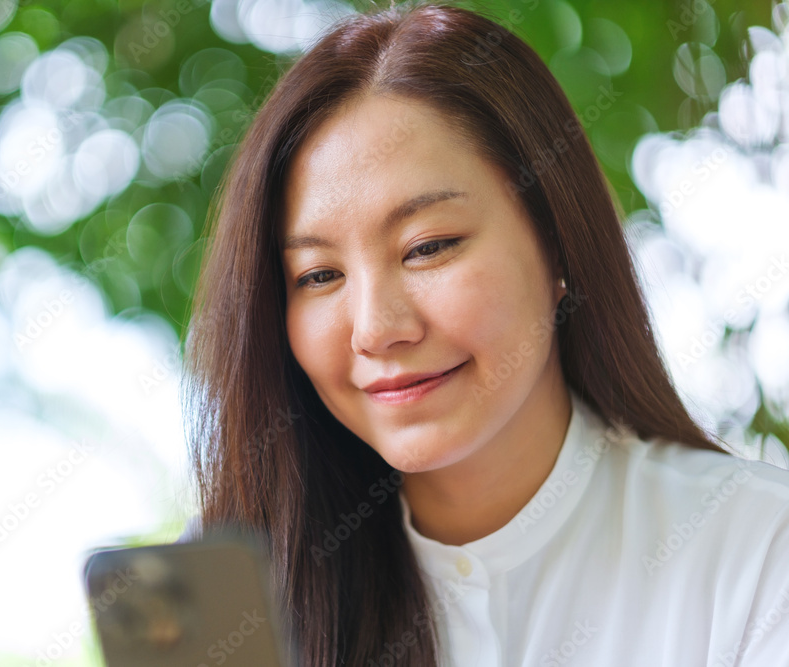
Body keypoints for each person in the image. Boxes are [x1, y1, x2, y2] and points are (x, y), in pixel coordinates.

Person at [177, 2, 789, 665]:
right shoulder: (224, 602)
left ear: (557, 241)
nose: (378, 329)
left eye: (428, 246)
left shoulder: (756, 551)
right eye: (320, 275)